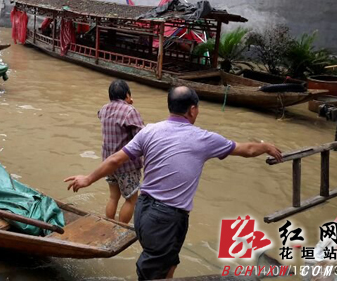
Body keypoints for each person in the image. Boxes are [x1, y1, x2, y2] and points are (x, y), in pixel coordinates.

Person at [65, 86, 282, 281]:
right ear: (193, 110)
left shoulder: (150, 130)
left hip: (143, 211)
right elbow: (246, 150)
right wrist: (266, 147)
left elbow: (115, 159)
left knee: (169, 262)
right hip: (166, 218)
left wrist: (88, 179)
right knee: (152, 273)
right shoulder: (203, 138)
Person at [99, 79, 144, 223]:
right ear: (127, 94)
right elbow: (142, 137)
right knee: (131, 200)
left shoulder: (104, 109)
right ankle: (120, 228)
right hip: (126, 164)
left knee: (113, 197)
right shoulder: (130, 111)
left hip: (108, 163)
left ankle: (109, 225)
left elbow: (100, 114)